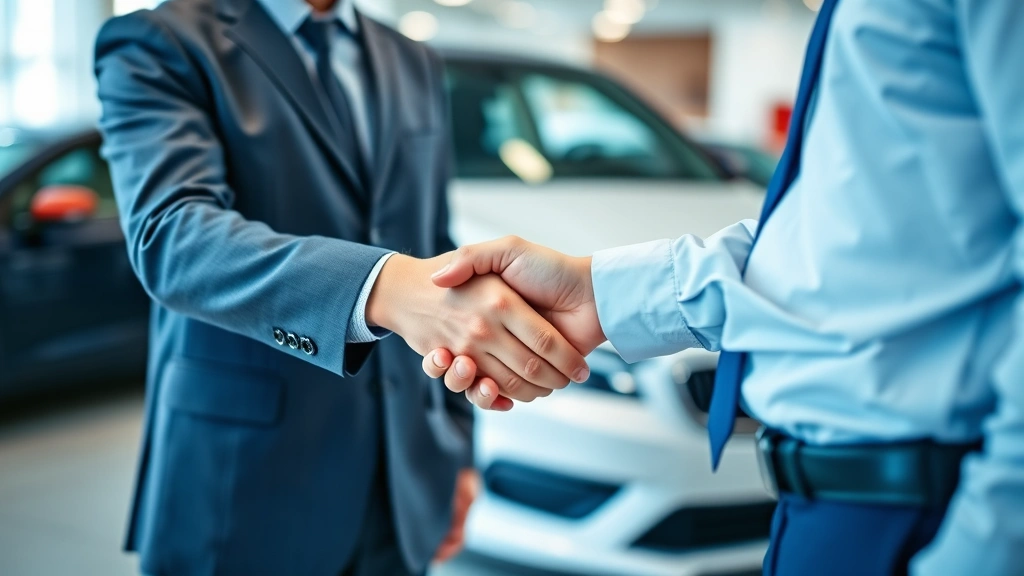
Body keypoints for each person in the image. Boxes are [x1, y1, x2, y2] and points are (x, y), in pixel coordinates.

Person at [423, 0, 1024, 574]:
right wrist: (597, 294)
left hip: (926, 508)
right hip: (831, 509)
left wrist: (989, 544)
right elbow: (844, 242)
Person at [93, 0, 590, 574]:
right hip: (241, 489)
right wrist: (385, 287)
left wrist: (455, 451)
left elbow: (435, 247)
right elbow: (172, 236)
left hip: (402, 485)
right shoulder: (160, 40)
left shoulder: (411, 59)